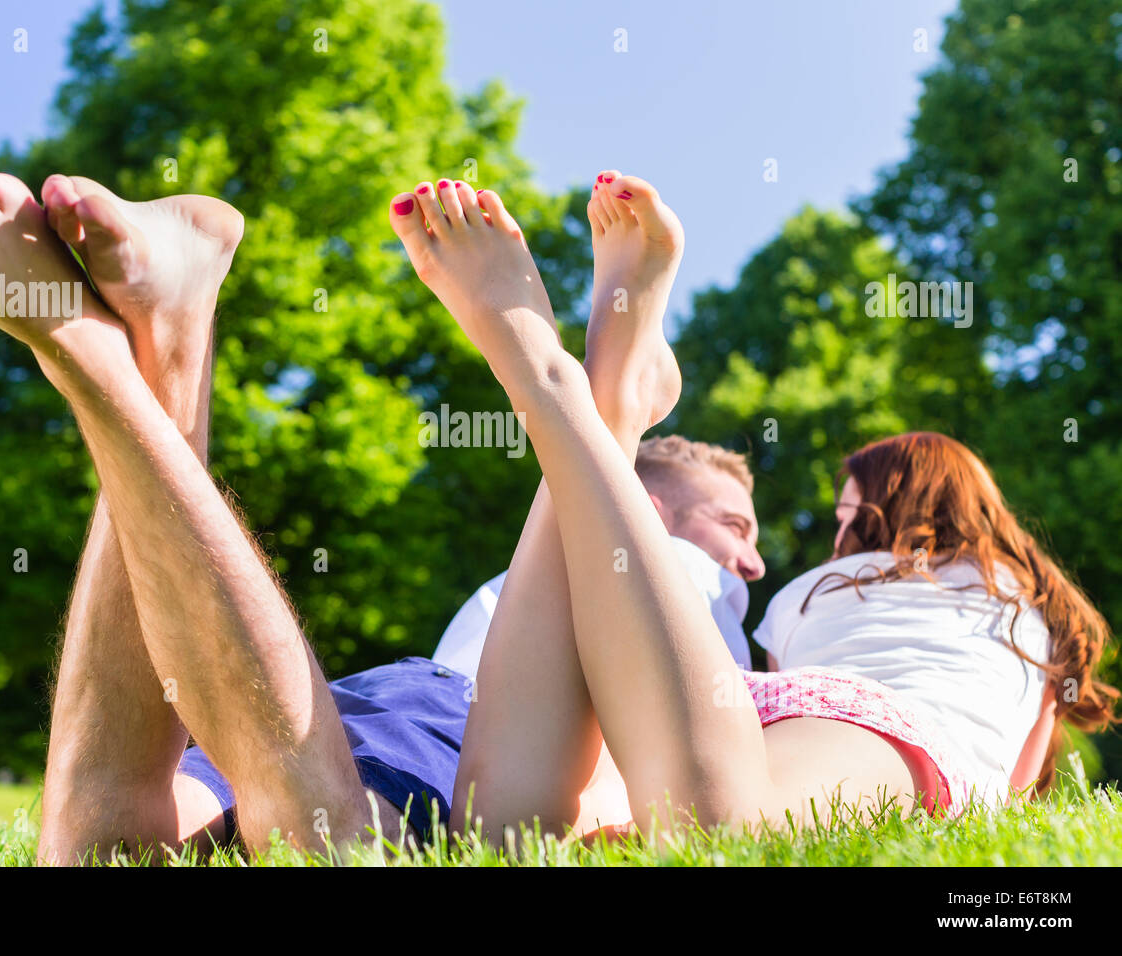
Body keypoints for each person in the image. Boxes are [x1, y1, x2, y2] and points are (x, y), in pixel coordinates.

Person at [0, 165, 698, 859]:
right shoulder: (667, 591)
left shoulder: (759, 637)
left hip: (326, 711)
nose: (752, 560)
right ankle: (607, 404)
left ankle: (166, 329)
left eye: (742, 537)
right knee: (330, 848)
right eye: (726, 525)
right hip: (435, 709)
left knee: (98, 848)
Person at [379, 171, 1120, 838]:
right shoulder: (1031, 602)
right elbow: (1018, 770)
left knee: (508, 827)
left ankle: (606, 404)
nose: (840, 537)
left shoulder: (813, 593)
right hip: (874, 734)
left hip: (766, 709)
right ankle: (569, 391)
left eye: (846, 516)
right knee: (713, 824)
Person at [433, 435, 763, 681]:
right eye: (734, 527)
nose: (756, 566)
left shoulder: (506, 591)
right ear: (646, 513)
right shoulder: (681, 564)